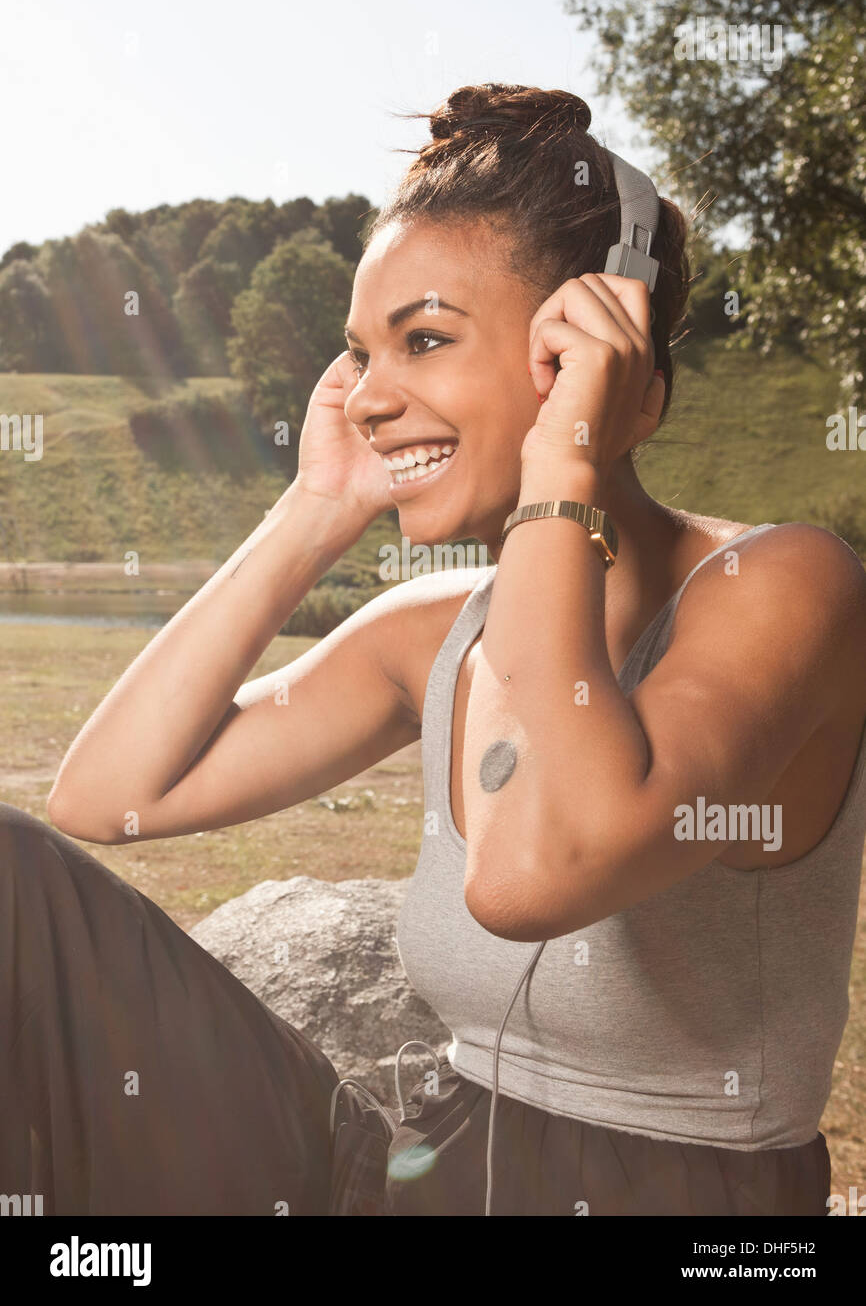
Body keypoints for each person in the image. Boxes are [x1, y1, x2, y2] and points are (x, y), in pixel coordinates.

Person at [3, 83, 865, 1216]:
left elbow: (527, 877)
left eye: (422, 340)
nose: (366, 398)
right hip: (410, 1176)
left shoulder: (782, 585)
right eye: (360, 356)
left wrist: (562, 469)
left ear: (594, 354)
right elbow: (106, 796)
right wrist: (311, 511)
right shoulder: (436, 631)